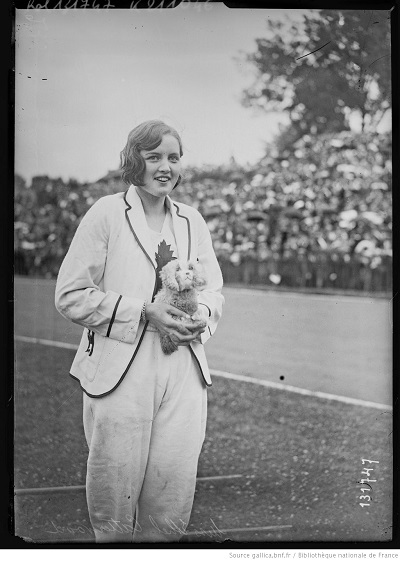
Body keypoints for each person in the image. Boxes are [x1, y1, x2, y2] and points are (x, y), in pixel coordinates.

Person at [55, 120, 224, 543]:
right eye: (154, 157)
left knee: (172, 495)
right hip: (122, 366)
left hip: (183, 365)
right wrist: (144, 311)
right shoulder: (107, 212)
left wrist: (200, 314)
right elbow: (71, 294)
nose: (165, 167)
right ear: (135, 162)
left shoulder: (192, 221)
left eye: (173, 157)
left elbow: (214, 289)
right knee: (115, 497)